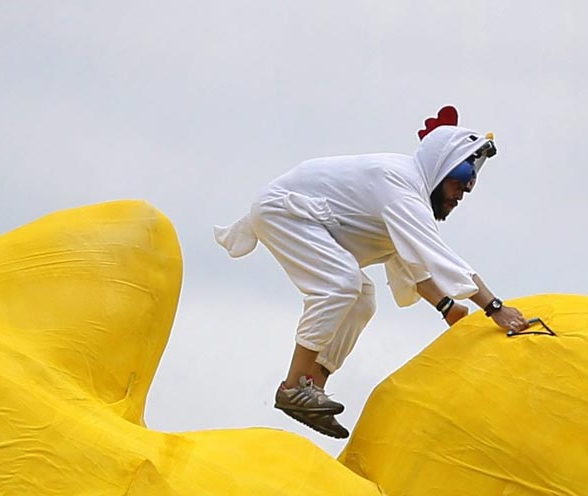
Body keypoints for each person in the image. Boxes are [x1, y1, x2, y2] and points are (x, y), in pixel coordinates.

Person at [215, 105, 531, 440]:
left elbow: (410, 264)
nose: (460, 195)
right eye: (458, 183)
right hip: (284, 210)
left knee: (362, 299)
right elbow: (441, 258)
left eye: (467, 188)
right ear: (441, 170)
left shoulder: (409, 195)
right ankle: (293, 385)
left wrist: (447, 308)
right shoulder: (401, 187)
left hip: (301, 216)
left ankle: (312, 389)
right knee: (342, 284)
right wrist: (495, 308)